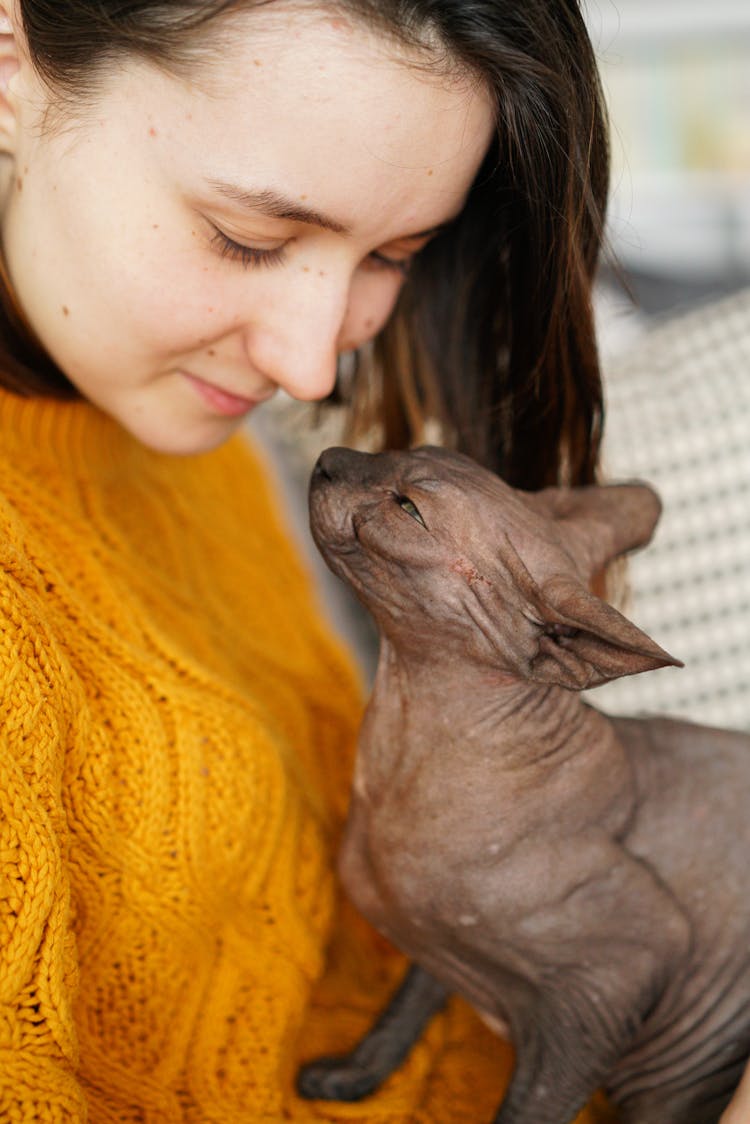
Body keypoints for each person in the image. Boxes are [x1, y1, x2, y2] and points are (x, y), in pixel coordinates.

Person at [0, 0, 701, 1121]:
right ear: (12, 60)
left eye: (395, 254)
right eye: (250, 237)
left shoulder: (180, 428)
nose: (312, 365)